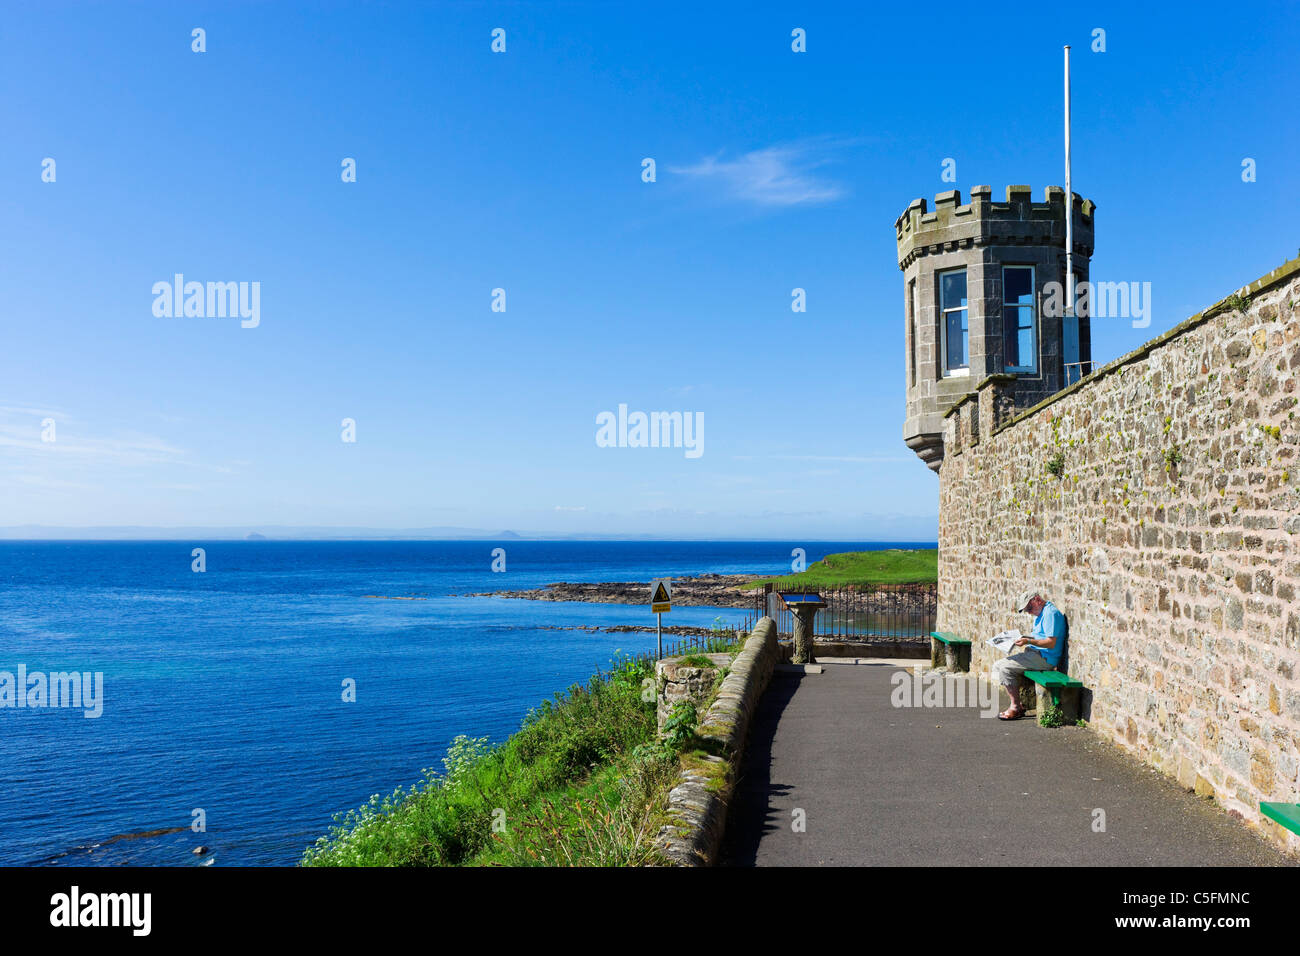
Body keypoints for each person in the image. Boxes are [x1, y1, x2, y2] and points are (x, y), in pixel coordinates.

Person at [994, 589, 1067, 721]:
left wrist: (1028, 641)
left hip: (1045, 658)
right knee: (998, 665)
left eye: (1029, 608)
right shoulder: (1041, 613)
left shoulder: (1050, 613)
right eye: (1027, 610)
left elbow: (1050, 643)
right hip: (1035, 653)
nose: (1029, 612)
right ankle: (1019, 702)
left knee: (1005, 669)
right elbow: (1040, 636)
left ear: (1037, 600)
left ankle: (1015, 707)